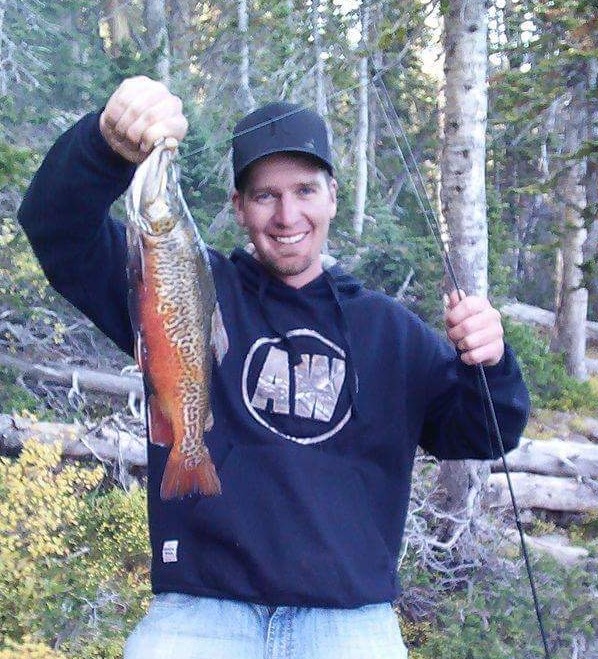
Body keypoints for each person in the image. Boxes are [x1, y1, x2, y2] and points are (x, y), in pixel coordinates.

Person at [18, 76, 530, 659]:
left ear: (333, 195)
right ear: (238, 207)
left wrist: (491, 362)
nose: (288, 215)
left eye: (305, 190)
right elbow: (55, 227)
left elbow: (485, 432)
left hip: (348, 620)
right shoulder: (181, 282)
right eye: (265, 195)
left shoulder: (391, 331)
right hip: (200, 610)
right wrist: (105, 143)